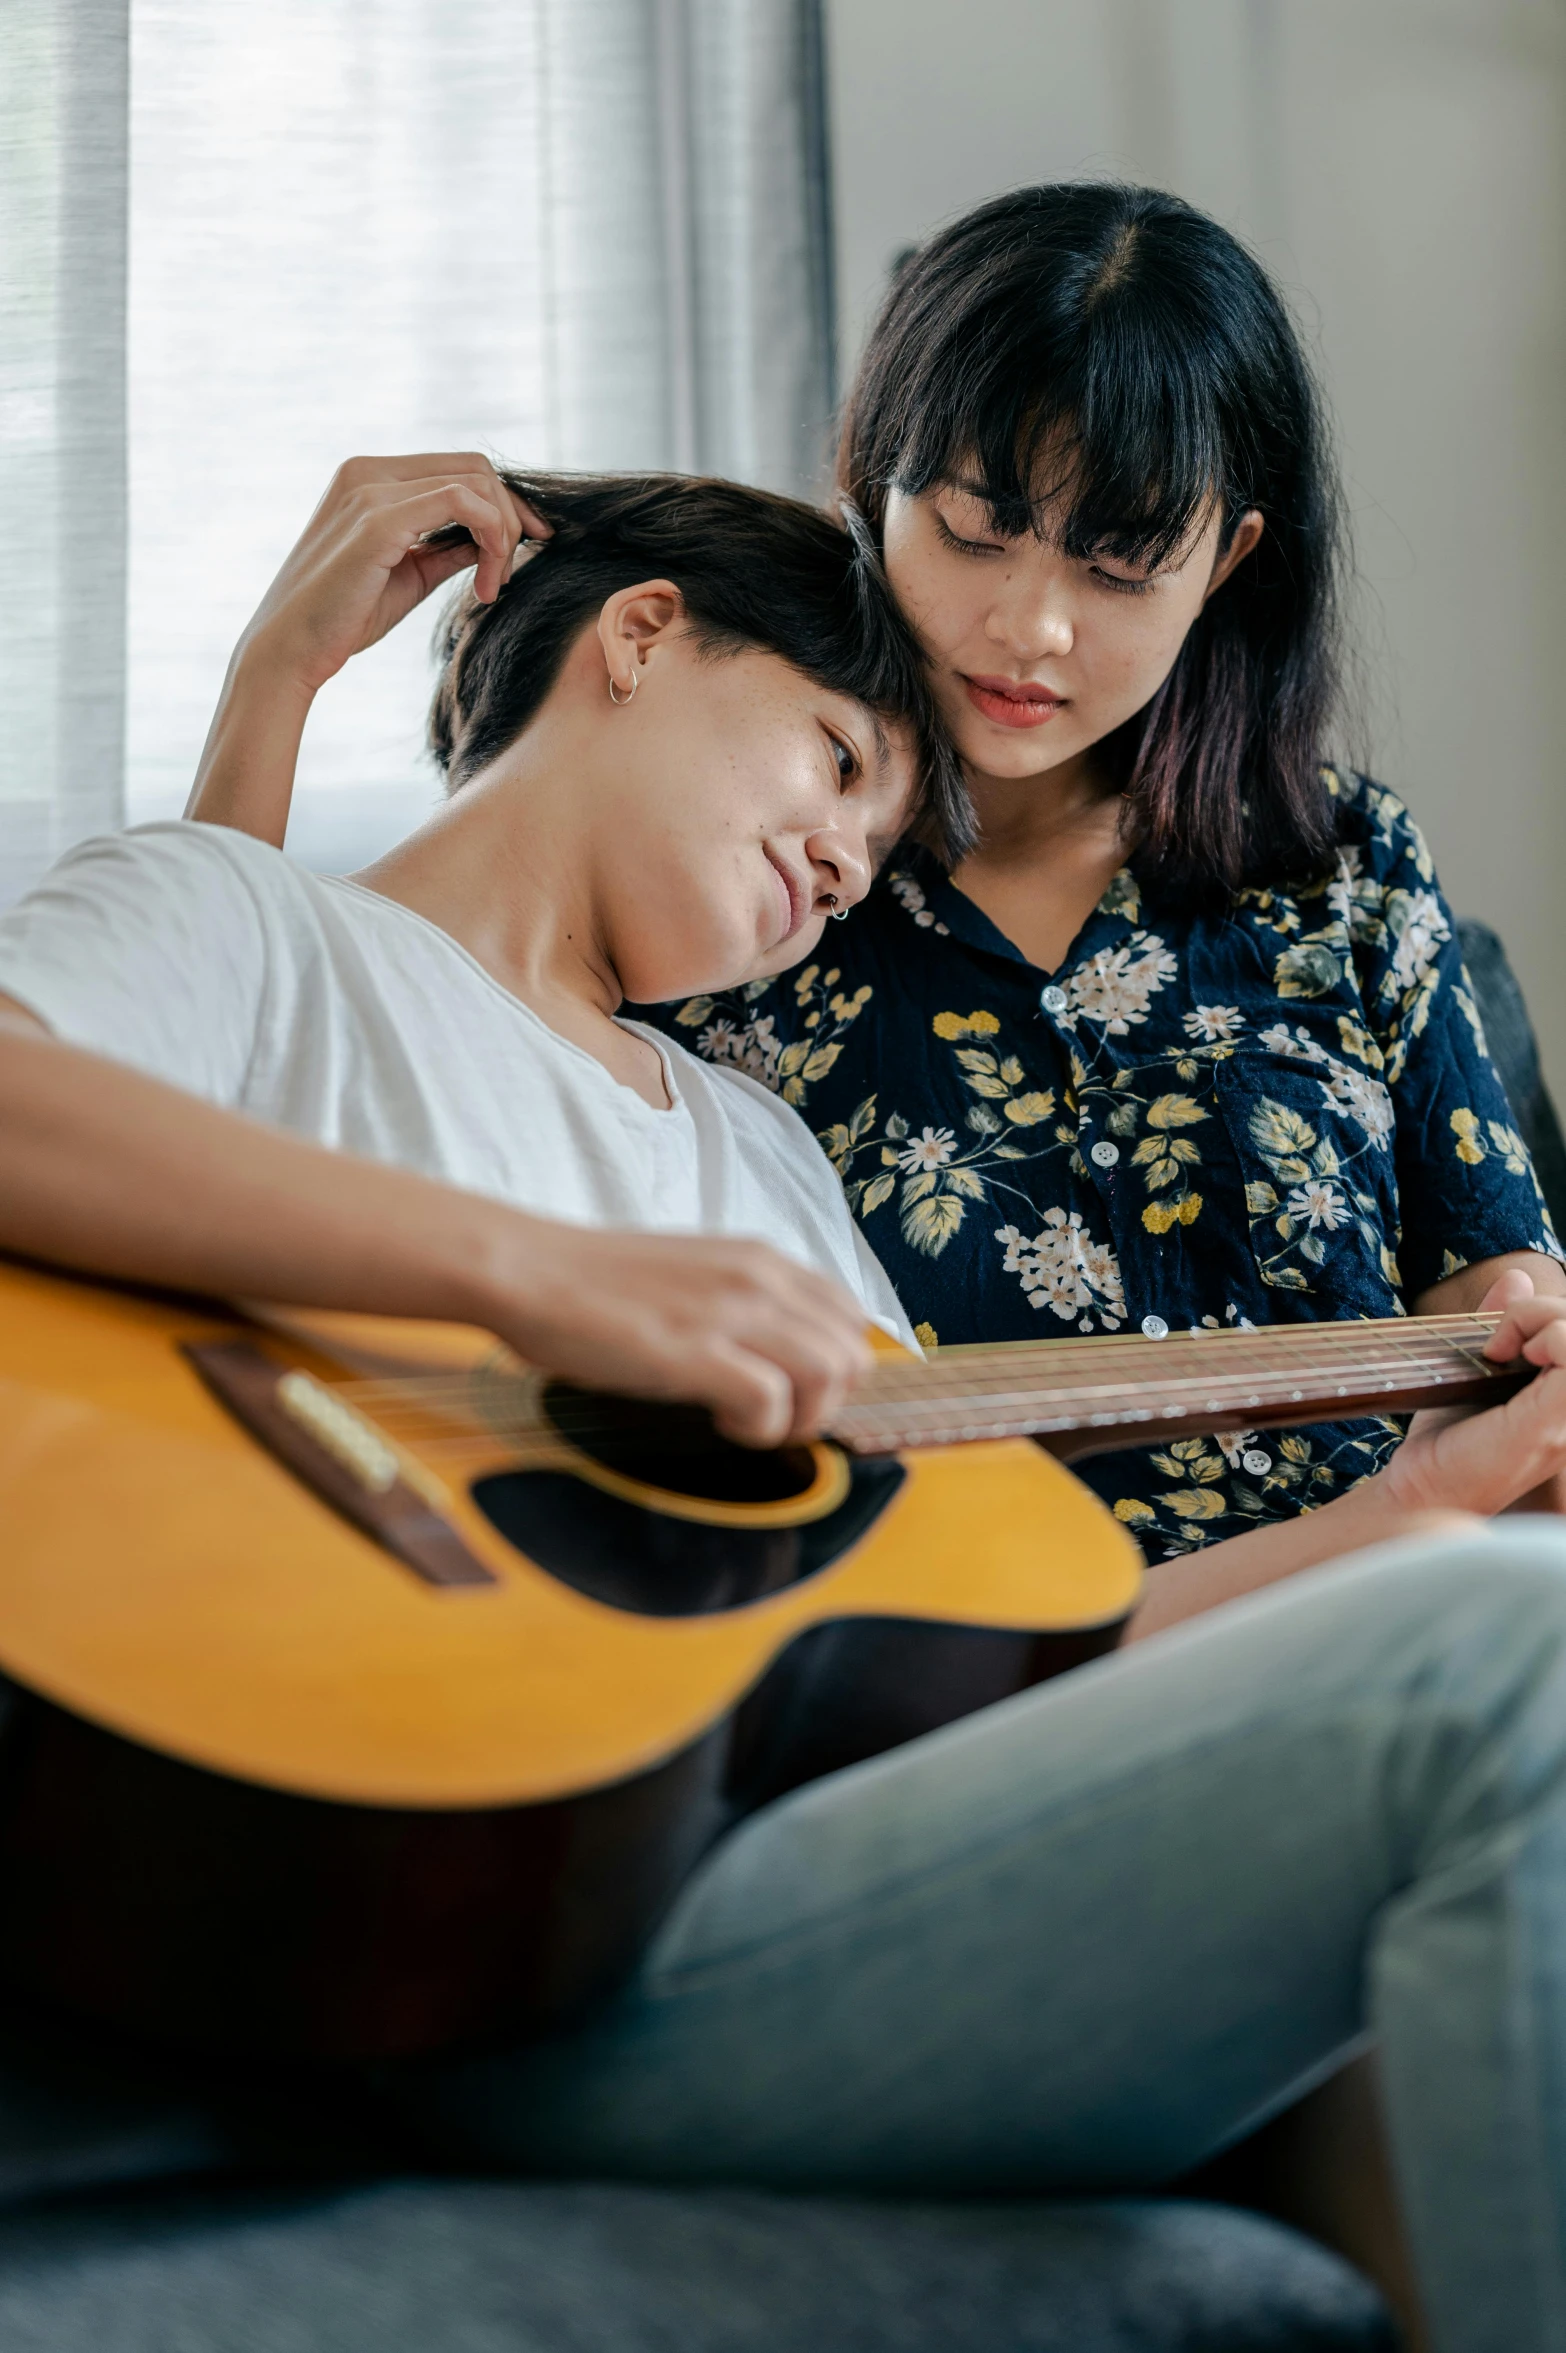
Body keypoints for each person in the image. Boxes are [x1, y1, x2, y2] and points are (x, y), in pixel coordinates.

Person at [8, 463, 1566, 2349]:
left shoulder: (760, 1162)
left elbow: (991, 1654)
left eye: (877, 849)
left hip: (725, 1920)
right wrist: (542, 1274)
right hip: (424, 1914)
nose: (840, 868)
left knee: (1509, 1635)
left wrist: (1413, 1516)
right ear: (641, 638)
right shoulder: (247, 926)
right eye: (835, 764)